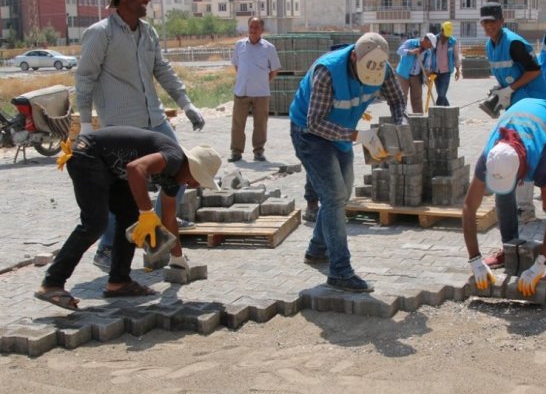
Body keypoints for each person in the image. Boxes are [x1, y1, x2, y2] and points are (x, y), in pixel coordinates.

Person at [75, 0, 206, 272]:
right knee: (121, 191)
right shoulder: (101, 33)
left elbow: (162, 69)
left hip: (155, 119)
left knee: (178, 176)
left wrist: (186, 104)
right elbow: (84, 78)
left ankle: (155, 239)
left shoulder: (148, 32)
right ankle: (107, 248)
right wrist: (84, 124)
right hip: (120, 124)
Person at [34, 126, 221, 310]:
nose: (195, 184)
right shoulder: (173, 158)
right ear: (190, 165)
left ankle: (118, 282)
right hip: (89, 154)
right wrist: (146, 212)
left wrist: (177, 257)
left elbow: (169, 218)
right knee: (95, 223)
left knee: (130, 217)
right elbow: (135, 168)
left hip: (111, 168)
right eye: (197, 177)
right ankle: (52, 283)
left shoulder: (175, 180)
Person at [289, 32, 407, 292]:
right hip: (309, 134)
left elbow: (397, 99)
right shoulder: (327, 72)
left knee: (340, 196)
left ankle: (317, 249)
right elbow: (315, 123)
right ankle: (340, 272)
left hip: (341, 134)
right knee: (333, 197)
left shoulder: (381, 68)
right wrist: (359, 136)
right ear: (354, 56)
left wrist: (400, 126)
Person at [462, 98, 546, 293]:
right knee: (503, 194)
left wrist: (540, 263)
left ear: (521, 170)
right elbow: (469, 207)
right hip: (523, 114)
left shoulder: (540, 161)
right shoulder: (490, 157)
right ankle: (509, 250)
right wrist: (475, 260)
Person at [479, 2, 546, 231]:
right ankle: (521, 204)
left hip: (532, 101)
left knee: (524, 152)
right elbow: (505, 75)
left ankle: (526, 209)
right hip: (516, 103)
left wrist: (510, 90)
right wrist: (499, 91)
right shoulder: (490, 46)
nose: (489, 26)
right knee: (515, 150)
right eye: (485, 22)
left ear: (501, 22)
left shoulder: (514, 43)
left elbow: (534, 71)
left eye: (493, 21)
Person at [228, 17, 281, 163]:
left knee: (260, 123)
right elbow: (236, 65)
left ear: (262, 30)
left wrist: (264, 81)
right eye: (251, 26)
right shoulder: (239, 45)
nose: (253, 30)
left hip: (261, 93)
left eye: (256, 27)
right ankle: (236, 152)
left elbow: (274, 69)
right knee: (238, 123)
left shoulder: (269, 48)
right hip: (241, 91)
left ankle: (258, 151)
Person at [396, 33, 436, 113]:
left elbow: (427, 65)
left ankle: (418, 117)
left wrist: (427, 72)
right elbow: (399, 51)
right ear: (425, 40)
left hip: (416, 76)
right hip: (403, 74)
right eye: (430, 45)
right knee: (402, 96)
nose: (430, 47)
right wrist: (411, 51)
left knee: (417, 98)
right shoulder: (411, 42)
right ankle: (401, 115)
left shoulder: (428, 52)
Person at [431, 21, 462, 106]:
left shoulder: (452, 41)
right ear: (441, 30)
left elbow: (456, 57)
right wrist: (428, 69)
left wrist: (458, 70)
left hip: (446, 71)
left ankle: (436, 112)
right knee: (441, 94)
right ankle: (449, 111)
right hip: (435, 71)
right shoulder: (435, 40)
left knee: (441, 94)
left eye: (448, 35)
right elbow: (430, 55)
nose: (446, 38)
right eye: (445, 35)